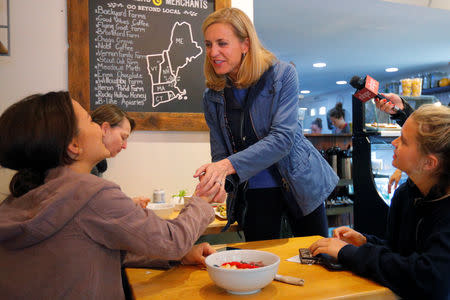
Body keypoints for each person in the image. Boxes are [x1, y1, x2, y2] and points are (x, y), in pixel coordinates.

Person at [0, 92, 220, 299]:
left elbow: (99, 246)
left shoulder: (19, 199)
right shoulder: (91, 194)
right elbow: (173, 240)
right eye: (89, 120)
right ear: (73, 145)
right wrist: (202, 200)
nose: (99, 127)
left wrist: (180, 256)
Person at [193, 8, 338, 242]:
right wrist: (219, 182)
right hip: (255, 194)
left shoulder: (282, 75)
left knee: (316, 258)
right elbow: (220, 154)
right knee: (259, 265)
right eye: (208, 44)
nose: (213, 52)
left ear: (245, 44)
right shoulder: (212, 96)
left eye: (222, 43)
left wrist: (226, 166)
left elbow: (283, 139)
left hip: (301, 183)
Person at [309, 104, 450, 299]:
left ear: (429, 163)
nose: (394, 142)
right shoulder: (406, 195)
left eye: (405, 141)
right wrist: (365, 242)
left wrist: (348, 253)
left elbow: (430, 278)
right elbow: (401, 253)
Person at [90, 104, 149, 208]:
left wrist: (130, 203)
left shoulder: (97, 167)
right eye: (123, 137)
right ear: (105, 129)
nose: (125, 146)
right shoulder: (84, 169)